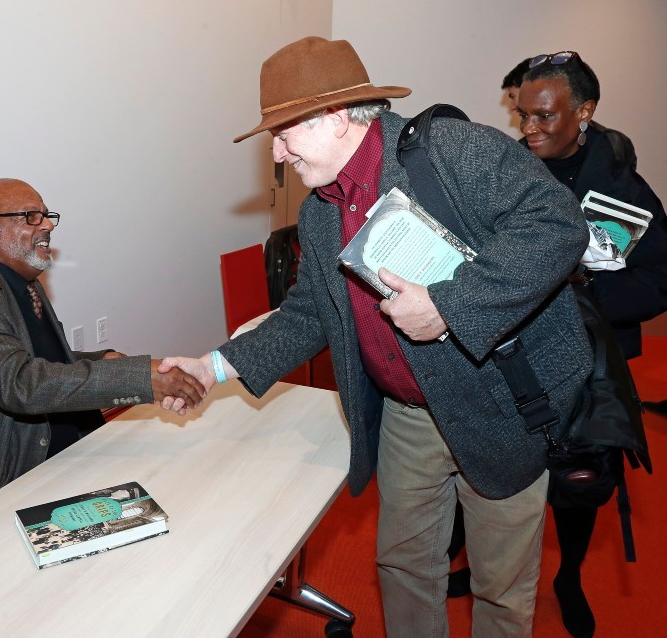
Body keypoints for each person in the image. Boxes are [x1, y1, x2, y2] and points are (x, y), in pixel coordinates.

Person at [160, 37, 593, 637]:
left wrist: (448, 305)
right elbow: (308, 312)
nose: (279, 156)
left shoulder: (451, 150)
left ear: (335, 117)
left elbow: (559, 226)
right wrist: (213, 366)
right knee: (403, 566)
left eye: (284, 136)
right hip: (407, 414)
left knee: (500, 588)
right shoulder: (320, 212)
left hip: (500, 407)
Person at [0, 178, 205, 536]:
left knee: (185, 491)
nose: (48, 225)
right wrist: (139, 378)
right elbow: (22, 384)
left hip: (67, 456)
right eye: (31, 217)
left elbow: (41, 361)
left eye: (47, 215)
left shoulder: (24, 282)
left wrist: (105, 359)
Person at [517, 52, 667, 638]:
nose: (529, 129)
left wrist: (585, 299)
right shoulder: (511, 172)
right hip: (511, 358)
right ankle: (478, 559)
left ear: (584, 112)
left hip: (590, 365)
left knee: (579, 483)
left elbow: (660, 280)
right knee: (492, 469)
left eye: (544, 117)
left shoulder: (624, 188)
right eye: (522, 115)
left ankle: (569, 576)